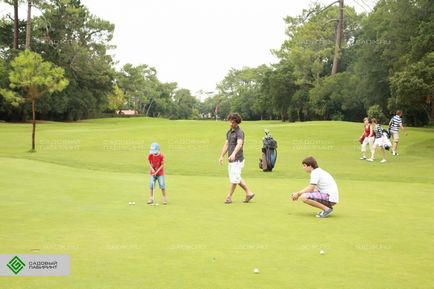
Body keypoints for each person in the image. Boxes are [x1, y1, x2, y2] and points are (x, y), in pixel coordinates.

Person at [219, 113, 255, 204]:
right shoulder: (229, 132)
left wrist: (234, 153)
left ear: (237, 122)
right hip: (231, 159)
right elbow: (226, 144)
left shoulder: (239, 132)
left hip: (238, 159)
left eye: (233, 122)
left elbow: (239, 144)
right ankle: (249, 193)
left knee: (234, 178)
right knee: (235, 177)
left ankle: (229, 197)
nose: (231, 124)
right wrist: (222, 156)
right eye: (230, 122)